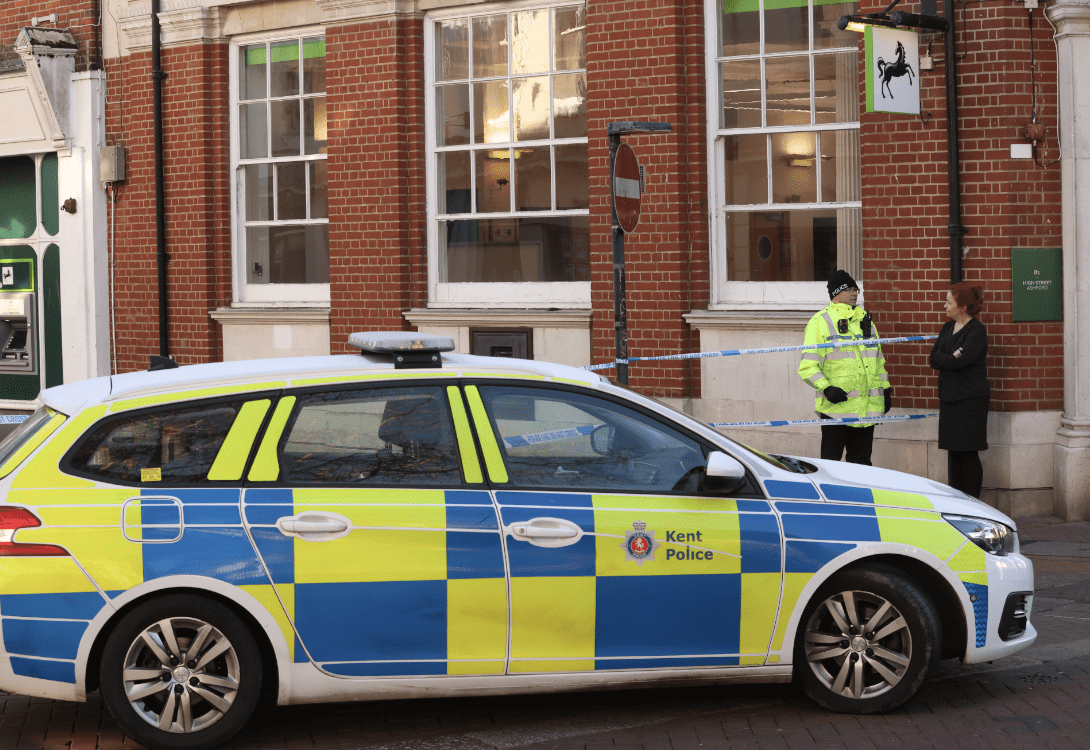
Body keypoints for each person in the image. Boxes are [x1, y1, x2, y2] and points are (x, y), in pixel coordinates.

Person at [798, 270, 892, 465]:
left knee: (862, 465)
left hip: (865, 410)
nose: (855, 293)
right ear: (836, 293)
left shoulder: (865, 320)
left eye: (856, 289)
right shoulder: (820, 322)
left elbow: (878, 361)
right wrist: (827, 388)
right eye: (849, 289)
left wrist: (885, 390)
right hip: (837, 410)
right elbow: (808, 366)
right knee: (830, 466)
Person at [929, 282, 990, 498]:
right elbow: (933, 358)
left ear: (962, 306)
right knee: (953, 453)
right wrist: (951, 357)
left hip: (970, 400)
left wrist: (948, 358)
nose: (945, 305)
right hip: (949, 399)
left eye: (949, 302)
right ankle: (957, 501)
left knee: (967, 453)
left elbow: (960, 361)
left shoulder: (976, 331)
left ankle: (972, 502)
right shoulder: (947, 328)